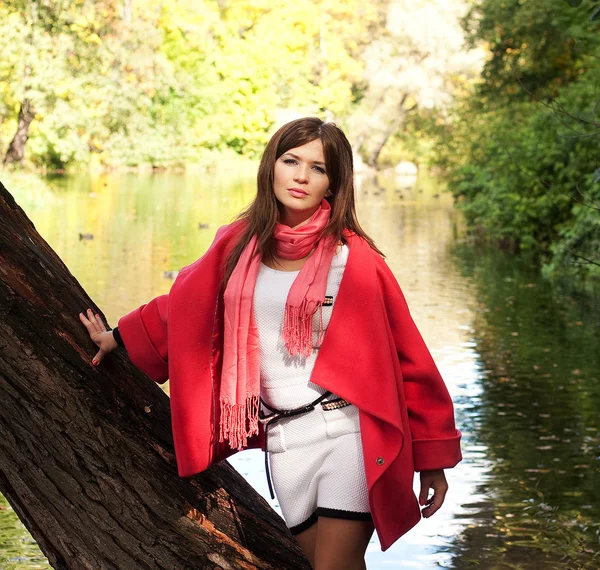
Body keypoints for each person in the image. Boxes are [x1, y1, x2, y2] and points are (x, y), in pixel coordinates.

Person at [79, 117, 462, 570]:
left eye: (318, 168)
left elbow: (408, 358)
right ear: (271, 168)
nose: (301, 176)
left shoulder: (353, 259)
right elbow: (186, 305)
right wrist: (119, 336)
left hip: (348, 434)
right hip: (285, 441)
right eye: (291, 161)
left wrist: (432, 458)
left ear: (334, 184)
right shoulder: (238, 245)